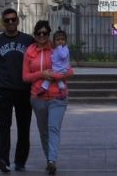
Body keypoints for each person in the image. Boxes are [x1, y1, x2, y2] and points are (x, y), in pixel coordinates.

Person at [23, 20, 75, 175]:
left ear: (49, 34)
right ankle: (49, 160)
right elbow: (25, 77)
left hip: (57, 97)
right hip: (38, 98)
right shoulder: (29, 51)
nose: (41, 36)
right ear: (35, 34)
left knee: (53, 128)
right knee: (44, 132)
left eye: (45, 33)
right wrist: (42, 74)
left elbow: (70, 70)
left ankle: (52, 160)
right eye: (38, 33)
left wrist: (57, 76)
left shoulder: (57, 48)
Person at [0, 7, 34, 173]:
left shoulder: (28, 40)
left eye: (13, 19)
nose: (10, 22)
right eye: (7, 20)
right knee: (3, 127)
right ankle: (2, 159)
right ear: (3, 22)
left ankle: (20, 161)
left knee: (24, 128)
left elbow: (35, 63)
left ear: (18, 20)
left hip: (24, 89)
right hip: (3, 89)